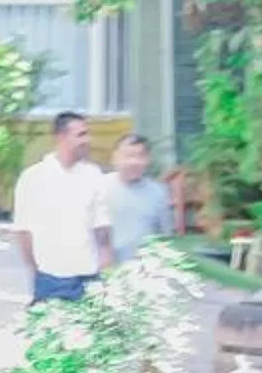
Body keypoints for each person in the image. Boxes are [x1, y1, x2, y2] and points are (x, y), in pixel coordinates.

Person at [15, 110, 111, 301]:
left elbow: (102, 227)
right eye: (81, 135)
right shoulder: (33, 178)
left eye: (87, 134)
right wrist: (37, 270)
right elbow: (23, 231)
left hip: (88, 277)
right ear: (61, 137)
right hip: (50, 278)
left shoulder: (93, 175)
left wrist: (105, 268)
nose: (87, 140)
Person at [104, 134, 176, 264]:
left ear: (148, 159)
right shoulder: (99, 188)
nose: (134, 162)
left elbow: (165, 235)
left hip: (145, 270)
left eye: (140, 156)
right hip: (105, 269)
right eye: (129, 156)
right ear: (115, 158)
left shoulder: (158, 193)